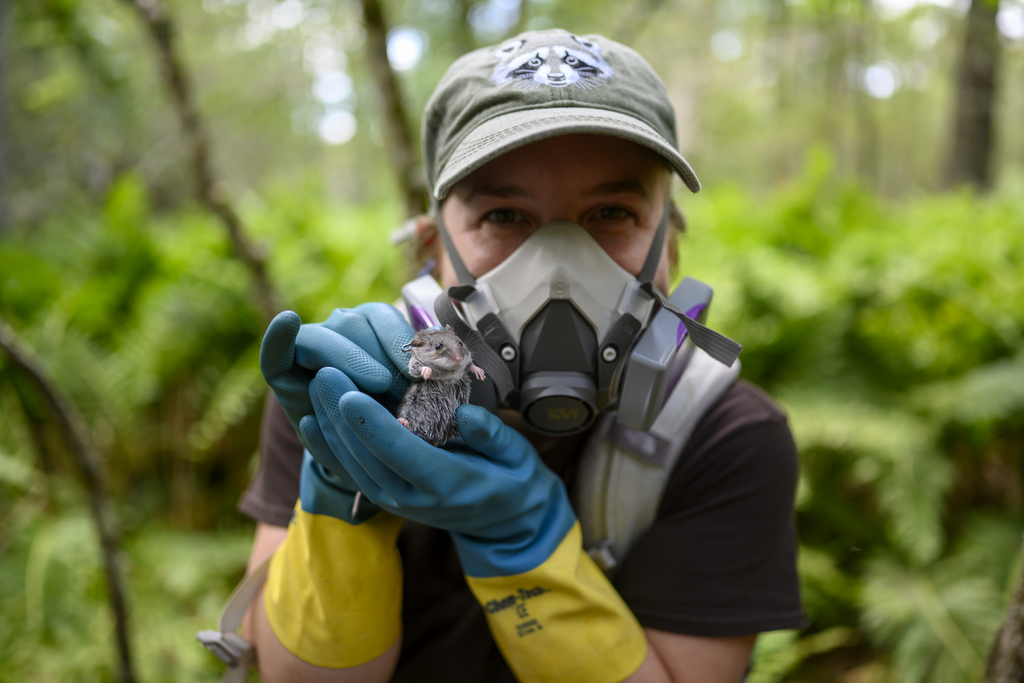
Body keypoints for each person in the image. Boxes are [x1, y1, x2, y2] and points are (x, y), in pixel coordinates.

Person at [237, 29, 805, 683]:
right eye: (505, 216)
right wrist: (344, 503)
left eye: (611, 211)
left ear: (669, 249)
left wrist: (523, 543)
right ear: (432, 249)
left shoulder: (723, 435)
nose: (559, 266)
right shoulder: (351, 390)